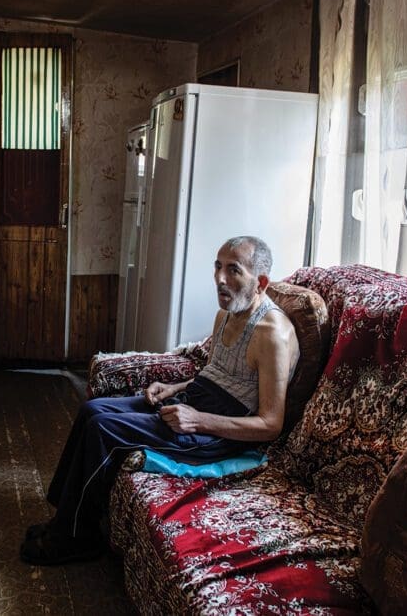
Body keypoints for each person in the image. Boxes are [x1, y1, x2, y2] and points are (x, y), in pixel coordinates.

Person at [20, 236, 300, 565]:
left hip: (219, 431)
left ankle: (78, 538)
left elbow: (271, 424)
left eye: (233, 270)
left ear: (261, 282)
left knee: (102, 429)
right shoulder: (227, 312)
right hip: (195, 400)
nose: (220, 279)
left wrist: (198, 421)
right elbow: (217, 373)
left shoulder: (272, 335)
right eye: (218, 266)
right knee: (92, 410)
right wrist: (172, 387)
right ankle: (64, 518)